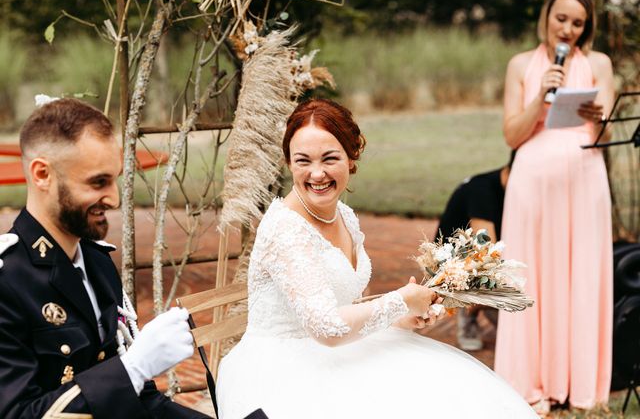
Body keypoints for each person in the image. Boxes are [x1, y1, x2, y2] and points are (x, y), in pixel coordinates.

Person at [216, 98, 536, 418]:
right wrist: (401, 300)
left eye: (330, 158)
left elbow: (350, 307)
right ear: (288, 163)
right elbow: (327, 327)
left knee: (451, 396)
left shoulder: (344, 216)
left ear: (351, 157)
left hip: (340, 353)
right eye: (303, 161)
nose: (317, 173)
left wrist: (401, 318)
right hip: (283, 371)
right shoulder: (285, 228)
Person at [0, 98, 210, 418]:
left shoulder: (96, 262)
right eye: (98, 182)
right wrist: (132, 369)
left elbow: (139, 400)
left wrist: (133, 374)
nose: (113, 198)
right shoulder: (8, 282)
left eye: (115, 179)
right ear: (42, 174)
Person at [495, 0, 614, 414]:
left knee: (581, 273)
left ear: (587, 28)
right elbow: (511, 134)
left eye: (577, 23)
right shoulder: (521, 64)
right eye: (561, 18)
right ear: (546, 16)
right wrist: (540, 98)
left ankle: (579, 383)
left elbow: (609, 135)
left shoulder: (599, 63)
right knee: (532, 277)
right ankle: (531, 382)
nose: (567, 29)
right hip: (534, 182)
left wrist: (601, 117)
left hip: (584, 180)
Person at [436, 152, 513, 351]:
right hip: (455, 264)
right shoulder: (482, 189)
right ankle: (469, 312)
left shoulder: (514, 191)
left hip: (485, 253)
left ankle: (498, 312)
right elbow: (485, 250)